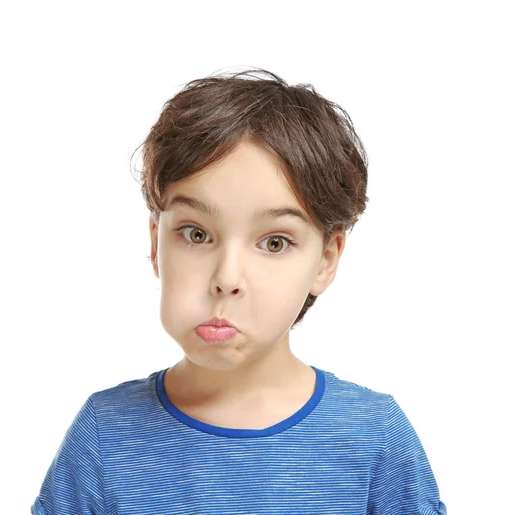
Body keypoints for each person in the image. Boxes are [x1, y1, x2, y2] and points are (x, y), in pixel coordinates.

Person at [31, 68, 447, 515]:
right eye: (195, 234)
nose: (227, 278)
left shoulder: (375, 439)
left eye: (274, 242)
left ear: (326, 259)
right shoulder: (103, 435)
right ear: (155, 243)